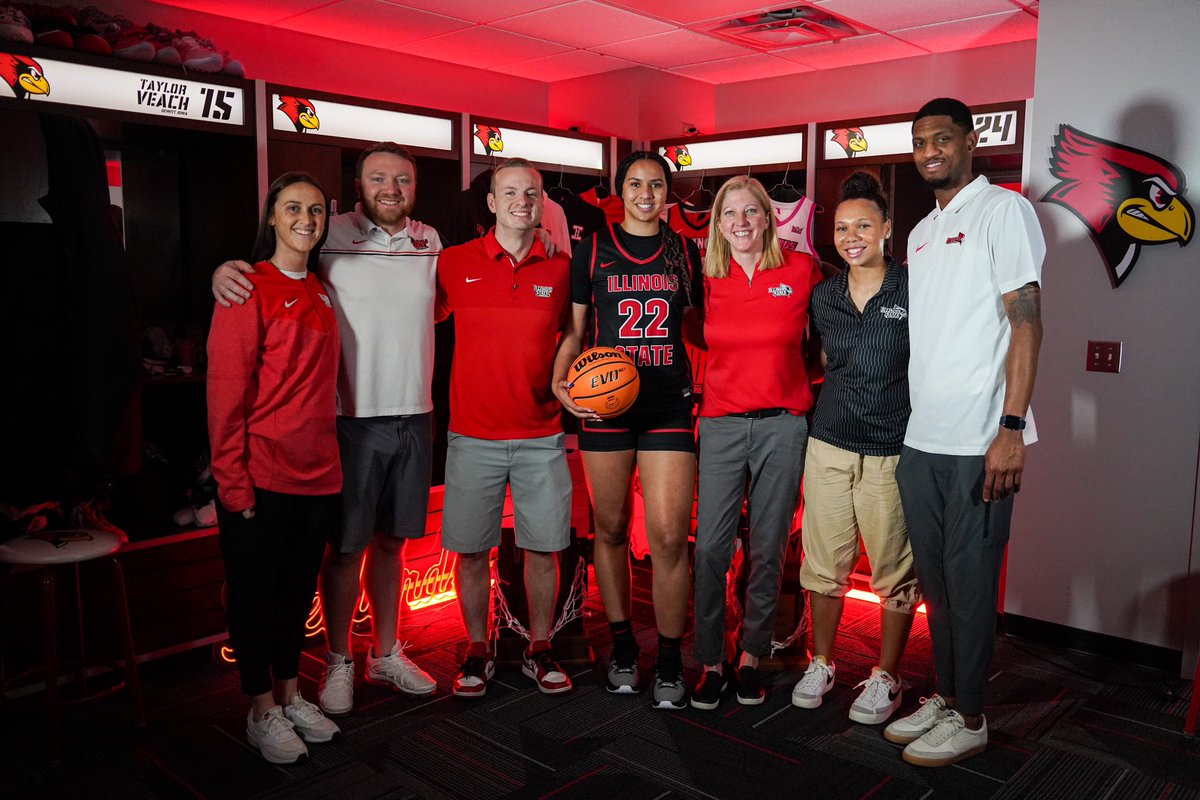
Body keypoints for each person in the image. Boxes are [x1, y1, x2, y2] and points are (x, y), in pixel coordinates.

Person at [212, 143, 439, 716]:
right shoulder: (327, 234)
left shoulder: (430, 242)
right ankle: (337, 659)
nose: (392, 187)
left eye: (403, 179)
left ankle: (384, 653)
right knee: (346, 549)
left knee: (393, 543)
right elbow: (269, 272)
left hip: (415, 413)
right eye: (379, 177)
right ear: (357, 187)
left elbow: (441, 305)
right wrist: (223, 269)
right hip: (349, 421)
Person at [884, 98, 1044, 767]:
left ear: (972, 142)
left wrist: (1011, 428)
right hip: (924, 441)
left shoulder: (1003, 211)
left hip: (981, 440)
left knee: (973, 586)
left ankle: (973, 716)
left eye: (942, 139)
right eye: (920, 141)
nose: (930, 151)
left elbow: (1027, 321)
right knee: (940, 588)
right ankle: (949, 698)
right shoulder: (921, 232)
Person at [552, 151, 702, 710]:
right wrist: (561, 383)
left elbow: (709, 327)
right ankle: (620, 647)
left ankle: (666, 658)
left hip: (666, 404)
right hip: (606, 408)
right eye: (636, 183)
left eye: (657, 184)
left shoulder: (686, 252)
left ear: (668, 193)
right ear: (620, 191)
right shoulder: (591, 249)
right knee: (610, 529)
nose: (646, 193)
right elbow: (574, 332)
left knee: (666, 538)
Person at [207, 172, 342, 763]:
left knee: (295, 596)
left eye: (315, 210)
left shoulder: (319, 289)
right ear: (271, 218)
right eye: (293, 208)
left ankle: (289, 697)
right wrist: (232, 484)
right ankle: (260, 709)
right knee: (256, 597)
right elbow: (224, 397)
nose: (306, 219)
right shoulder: (245, 289)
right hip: (260, 477)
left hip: (319, 476)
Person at [436, 158, 574, 698]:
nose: (523, 201)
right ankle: (476, 650)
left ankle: (540, 647)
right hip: (472, 434)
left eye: (532, 194)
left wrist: (563, 376)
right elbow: (420, 313)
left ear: (543, 204)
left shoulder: (563, 268)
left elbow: (572, 332)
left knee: (542, 549)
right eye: (511, 193)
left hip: (542, 433)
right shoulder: (451, 262)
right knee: (472, 550)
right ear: (491, 203)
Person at [790, 172, 919, 726]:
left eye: (863, 224)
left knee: (893, 571)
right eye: (842, 228)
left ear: (888, 229)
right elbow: (818, 362)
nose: (851, 236)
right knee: (824, 567)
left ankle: (887, 676)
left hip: (892, 446)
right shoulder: (825, 294)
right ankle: (821, 662)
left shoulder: (914, 288)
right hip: (829, 444)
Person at [689, 176, 821, 710]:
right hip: (720, 423)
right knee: (712, 551)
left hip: (783, 426)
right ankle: (710, 662)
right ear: (717, 225)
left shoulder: (803, 269)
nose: (741, 222)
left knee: (768, 549)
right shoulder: (705, 278)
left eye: (751, 212)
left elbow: (841, 321)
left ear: (768, 218)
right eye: (730, 214)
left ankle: (750, 658)